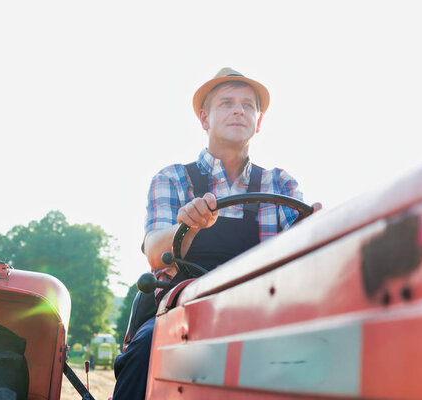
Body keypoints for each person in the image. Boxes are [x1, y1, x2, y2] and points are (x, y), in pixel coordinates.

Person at [112, 67, 320, 399]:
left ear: (259, 121)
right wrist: (188, 226)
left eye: (248, 105)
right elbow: (154, 250)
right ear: (204, 118)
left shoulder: (281, 184)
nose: (239, 110)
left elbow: (302, 257)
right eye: (226, 103)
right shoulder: (173, 178)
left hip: (259, 313)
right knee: (143, 354)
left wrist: (314, 232)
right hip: (181, 311)